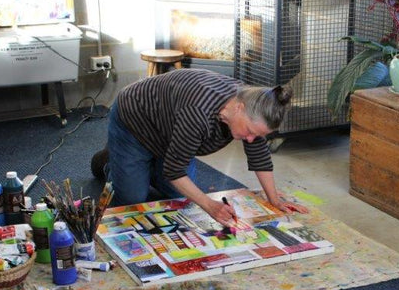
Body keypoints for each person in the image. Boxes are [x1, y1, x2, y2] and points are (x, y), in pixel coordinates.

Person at [91, 68, 307, 225]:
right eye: (250, 132)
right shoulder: (198, 113)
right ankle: (113, 163)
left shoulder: (252, 106)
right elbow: (175, 171)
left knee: (179, 198)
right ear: (239, 108)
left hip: (173, 132)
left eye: (258, 135)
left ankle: (142, 168)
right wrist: (209, 205)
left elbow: (259, 156)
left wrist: (274, 199)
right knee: (132, 200)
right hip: (136, 121)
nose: (251, 139)